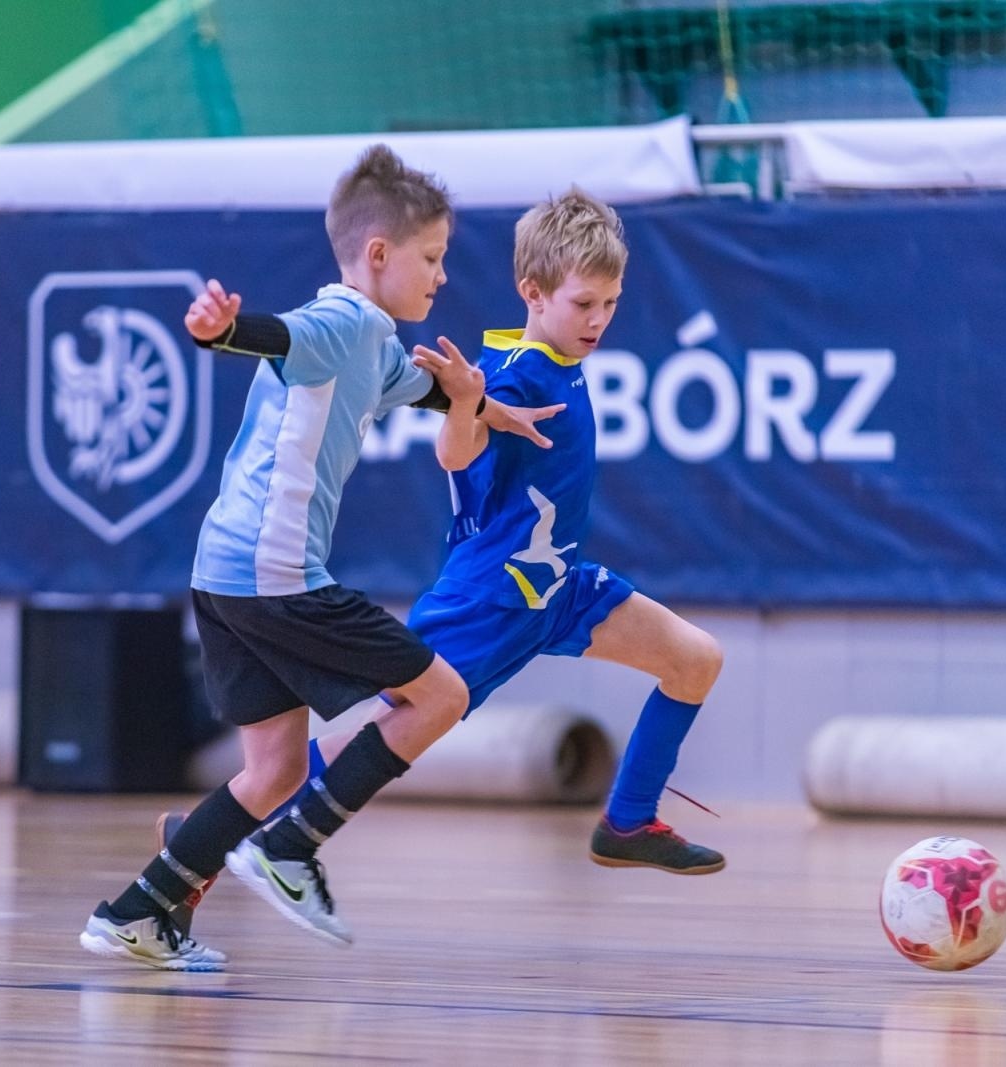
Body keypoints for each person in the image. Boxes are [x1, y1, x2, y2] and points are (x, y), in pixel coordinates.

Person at [165, 189, 727, 942]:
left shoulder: (556, 358)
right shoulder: (512, 375)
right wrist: (465, 408)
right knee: (336, 756)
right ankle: (194, 849)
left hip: (558, 589)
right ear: (533, 292)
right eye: (584, 303)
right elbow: (453, 453)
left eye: (611, 304)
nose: (598, 320)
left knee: (695, 660)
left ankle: (627, 822)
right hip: (491, 598)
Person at [77, 146, 561, 972]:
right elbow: (279, 337)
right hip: (275, 575)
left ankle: (137, 912)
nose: (442, 277)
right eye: (433, 258)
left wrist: (483, 405)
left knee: (269, 769)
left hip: (224, 572)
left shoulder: (374, 343)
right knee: (440, 693)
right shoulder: (340, 323)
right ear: (379, 255)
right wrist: (224, 329)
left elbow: (427, 389)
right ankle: (292, 848)